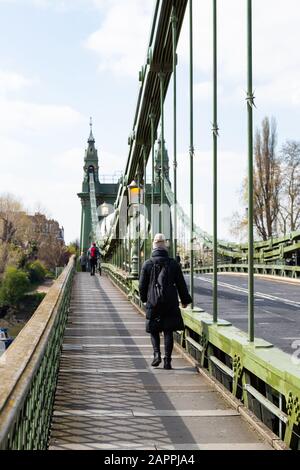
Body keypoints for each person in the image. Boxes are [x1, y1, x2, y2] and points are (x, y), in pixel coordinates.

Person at [139, 233, 192, 370]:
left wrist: (144, 299)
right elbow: (181, 284)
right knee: (168, 331)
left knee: (154, 330)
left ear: (154, 246)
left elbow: (142, 285)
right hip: (170, 302)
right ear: (165, 246)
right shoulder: (173, 263)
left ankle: (157, 355)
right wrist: (185, 300)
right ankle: (167, 360)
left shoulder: (147, 264)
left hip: (153, 302)